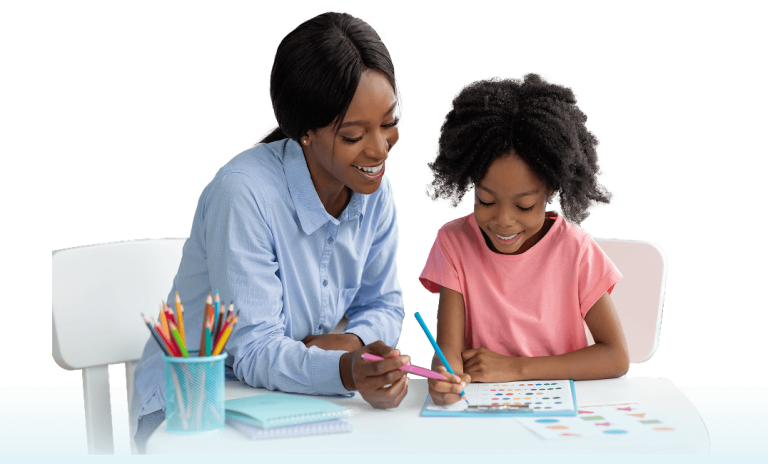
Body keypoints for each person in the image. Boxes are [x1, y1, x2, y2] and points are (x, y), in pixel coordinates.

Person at [130, 10, 410, 453]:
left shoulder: (373, 191)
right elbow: (255, 351)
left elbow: (383, 303)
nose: (379, 149)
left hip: (285, 397)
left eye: (389, 122)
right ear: (305, 133)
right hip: (193, 406)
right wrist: (343, 369)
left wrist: (352, 346)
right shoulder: (242, 194)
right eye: (355, 134)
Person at [418, 73, 631, 406]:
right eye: (486, 201)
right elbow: (449, 354)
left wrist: (515, 368)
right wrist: (445, 380)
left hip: (559, 413)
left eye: (525, 205)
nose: (503, 220)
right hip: (482, 411)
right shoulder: (453, 242)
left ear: (551, 190)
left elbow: (615, 357)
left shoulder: (575, 249)